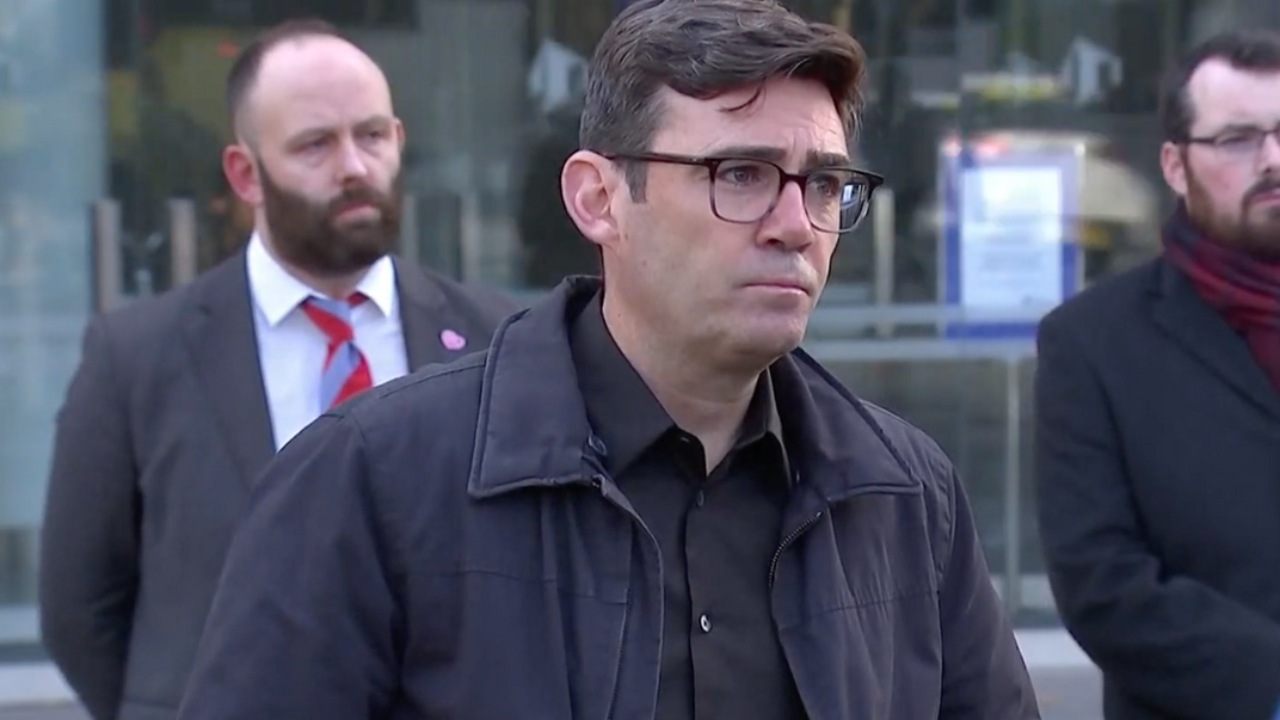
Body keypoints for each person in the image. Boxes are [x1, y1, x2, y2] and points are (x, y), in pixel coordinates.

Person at [177, 2, 1039, 719]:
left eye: (822, 184)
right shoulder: (372, 477)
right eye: (740, 174)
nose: (795, 225)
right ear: (598, 198)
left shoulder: (903, 495)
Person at [38, 19, 517, 720]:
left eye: (372, 135)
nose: (353, 167)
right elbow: (79, 608)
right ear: (245, 174)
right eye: (314, 144)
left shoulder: (496, 342)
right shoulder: (135, 357)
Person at [1035, 28, 1280, 720]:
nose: (1273, 159)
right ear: (1175, 165)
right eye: (1238, 139)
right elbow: (1101, 583)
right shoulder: (1092, 343)